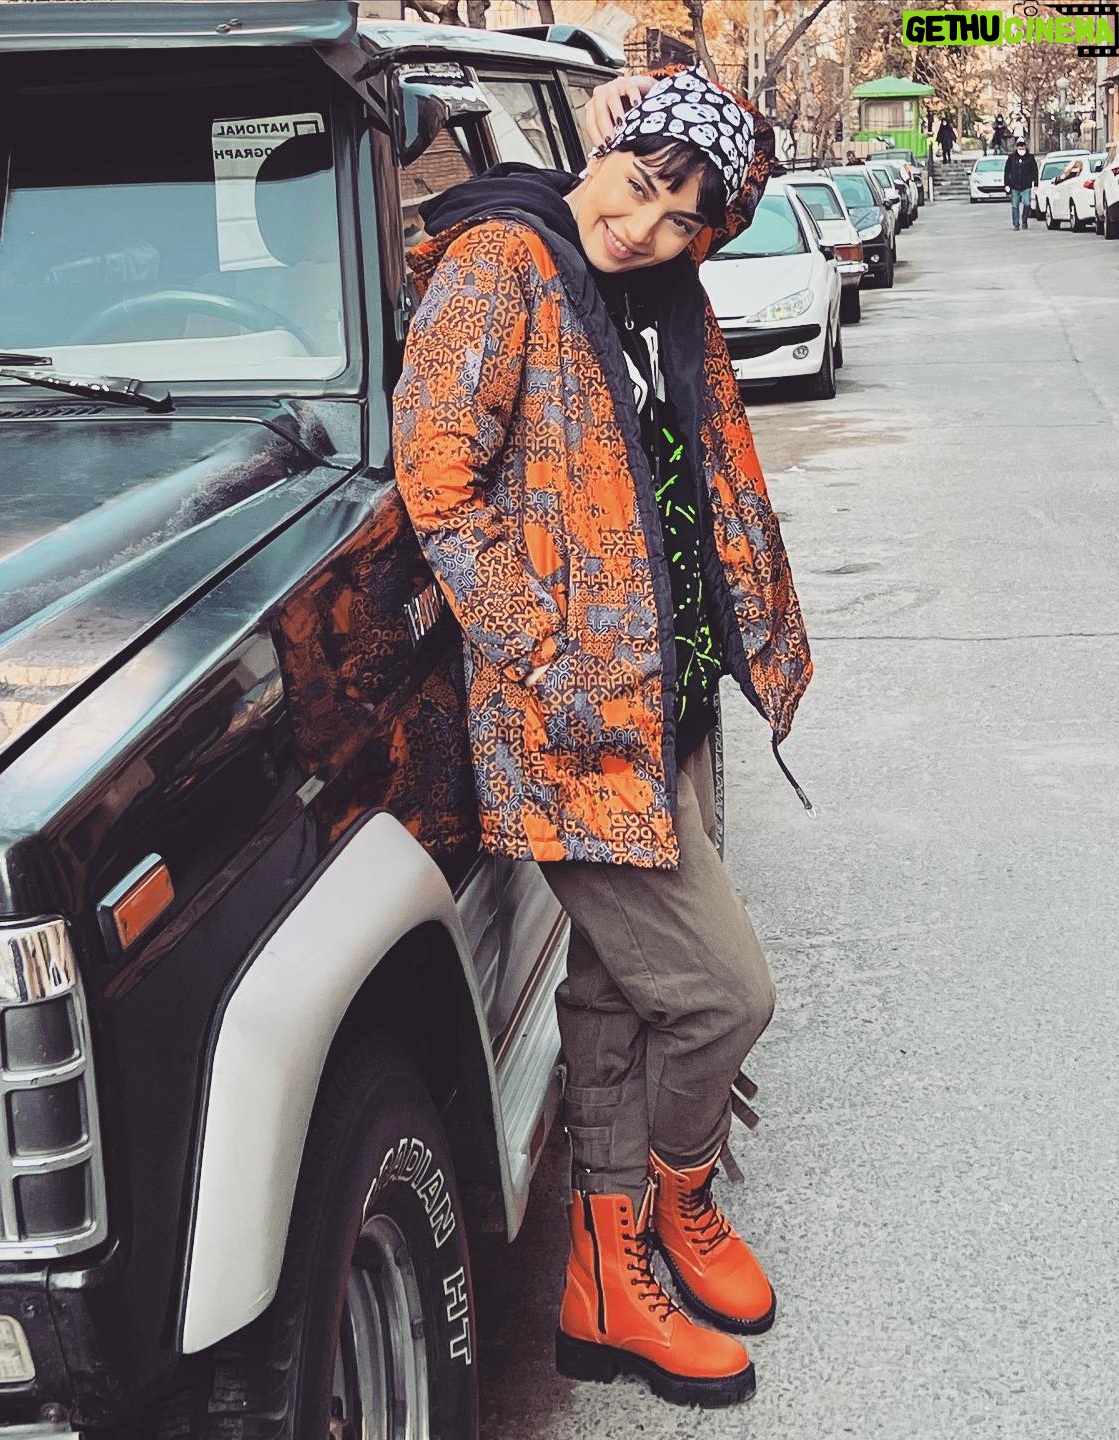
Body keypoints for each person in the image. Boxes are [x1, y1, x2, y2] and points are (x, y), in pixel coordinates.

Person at [393, 67, 811, 1410]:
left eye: (685, 218)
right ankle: (672, 1208)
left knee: (618, 993)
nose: (645, 228)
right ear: (602, 152)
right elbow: (438, 482)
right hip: (578, 724)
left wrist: (686, 111)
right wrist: (547, 654)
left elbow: (727, 188)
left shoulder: (652, 293)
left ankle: (604, 1281)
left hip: (666, 701)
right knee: (724, 996)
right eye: (638, 187)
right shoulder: (504, 263)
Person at [1005, 137, 1039, 228]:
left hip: (1026, 185)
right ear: (1017, 147)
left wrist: (1035, 183)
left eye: (1023, 147)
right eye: (1019, 147)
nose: (1021, 149)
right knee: (1015, 205)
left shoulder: (1030, 158)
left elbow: (1035, 171)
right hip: (1014, 185)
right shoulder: (1012, 158)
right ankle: (1016, 224)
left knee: (1027, 203)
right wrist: (1007, 184)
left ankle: (1024, 219)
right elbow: (1007, 171)